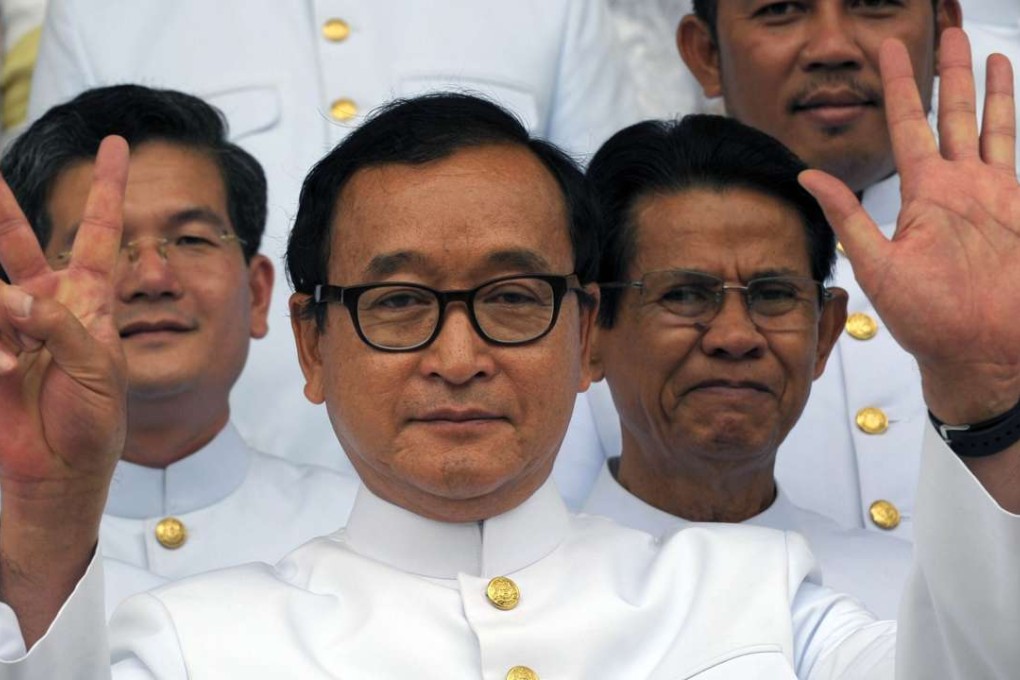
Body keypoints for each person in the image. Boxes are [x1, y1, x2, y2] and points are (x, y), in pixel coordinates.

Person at [0, 32, 1018, 677]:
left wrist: (986, 393)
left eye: (513, 298)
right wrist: (47, 551)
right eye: (398, 302)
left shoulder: (759, 601)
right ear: (312, 344)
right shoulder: (190, 644)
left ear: (585, 336)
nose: (458, 354)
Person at [22, 1, 640, 507]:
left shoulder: (552, 9)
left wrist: (598, 514)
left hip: (528, 491)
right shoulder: (100, 15)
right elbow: (58, 244)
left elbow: (608, 268)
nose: (153, 271)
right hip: (209, 479)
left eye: (189, 239)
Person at [593, 0, 973, 538]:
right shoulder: (591, 265)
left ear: (942, 30)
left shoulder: (1004, 260)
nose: (833, 48)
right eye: (780, 10)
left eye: (875, 5)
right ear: (705, 53)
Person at [0, 84, 358, 616]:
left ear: (259, 294)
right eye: (103, 245)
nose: (151, 278)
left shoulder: (361, 524)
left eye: (191, 240)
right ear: (20, 300)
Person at [581, 114, 912, 618]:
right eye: (686, 294)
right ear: (588, 334)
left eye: (774, 295)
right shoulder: (517, 594)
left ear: (824, 335)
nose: (735, 336)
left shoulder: (908, 600)